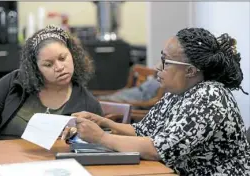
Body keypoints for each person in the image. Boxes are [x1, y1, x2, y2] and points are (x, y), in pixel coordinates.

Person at [63, 28, 250, 175]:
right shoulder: (178, 91)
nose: (157, 67)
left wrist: (101, 137)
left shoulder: (210, 97)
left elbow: (157, 149)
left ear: (191, 71)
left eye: (166, 61)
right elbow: (144, 131)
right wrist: (104, 122)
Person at [0, 25, 103, 141]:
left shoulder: (88, 105)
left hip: (53, 161)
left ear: (72, 55)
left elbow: (97, 144)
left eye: (62, 58)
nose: (59, 67)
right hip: (2, 157)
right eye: (48, 64)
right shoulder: (13, 83)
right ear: (35, 68)